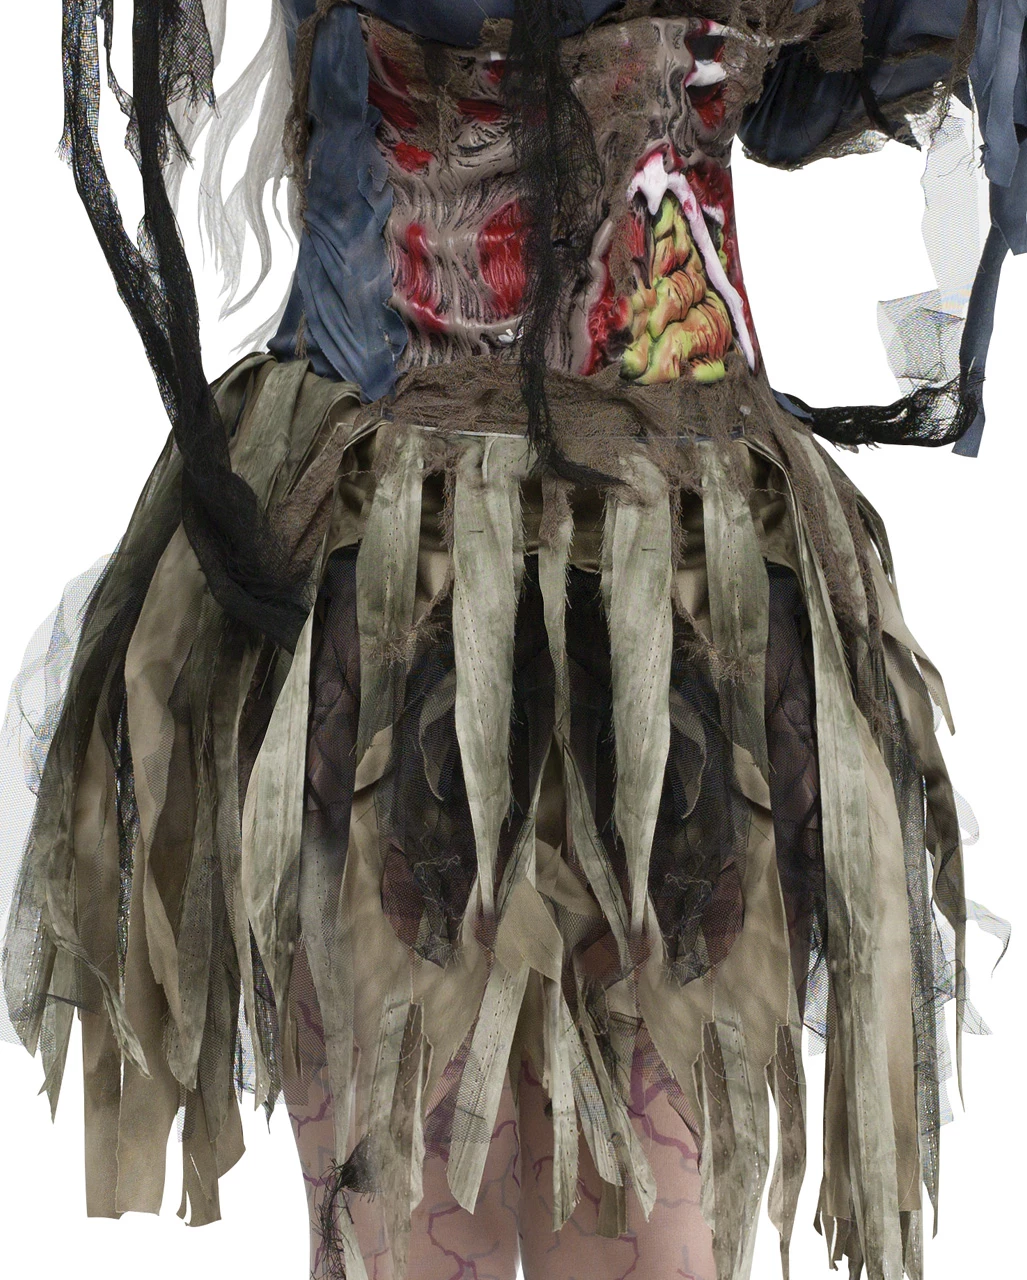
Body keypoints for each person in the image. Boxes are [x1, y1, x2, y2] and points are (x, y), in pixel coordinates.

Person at [1, 3, 1023, 1278]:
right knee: (417, 1218)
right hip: (406, 560)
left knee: (642, 1229)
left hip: (668, 585)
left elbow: (805, 92)